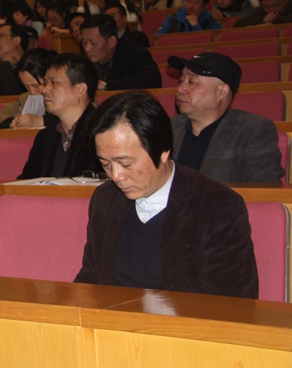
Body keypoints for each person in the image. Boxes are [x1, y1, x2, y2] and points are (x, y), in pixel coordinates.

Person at [74, 90, 258, 299]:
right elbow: (92, 275)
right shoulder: (106, 198)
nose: (116, 176)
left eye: (125, 163)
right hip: (111, 317)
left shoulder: (216, 205)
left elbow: (233, 298)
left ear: (162, 151)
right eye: (105, 164)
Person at [167, 52, 283, 183]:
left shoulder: (253, 131)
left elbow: (264, 188)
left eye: (192, 82)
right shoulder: (166, 128)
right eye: (181, 81)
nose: (180, 89)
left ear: (221, 92)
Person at [17, 53, 98, 179]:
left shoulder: (101, 133)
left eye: (53, 82)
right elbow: (26, 182)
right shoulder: (45, 137)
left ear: (80, 90)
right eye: (45, 83)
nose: (45, 90)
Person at [80, 14, 161, 91]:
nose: (87, 49)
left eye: (93, 43)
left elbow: (152, 80)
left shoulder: (135, 53)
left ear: (112, 41)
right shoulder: (81, 61)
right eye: (84, 42)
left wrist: (106, 85)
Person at [0, 49, 51, 129]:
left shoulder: (62, 97)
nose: (32, 92)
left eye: (36, 86)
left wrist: (40, 120)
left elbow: (66, 117)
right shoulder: (27, 98)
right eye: (26, 86)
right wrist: (14, 121)